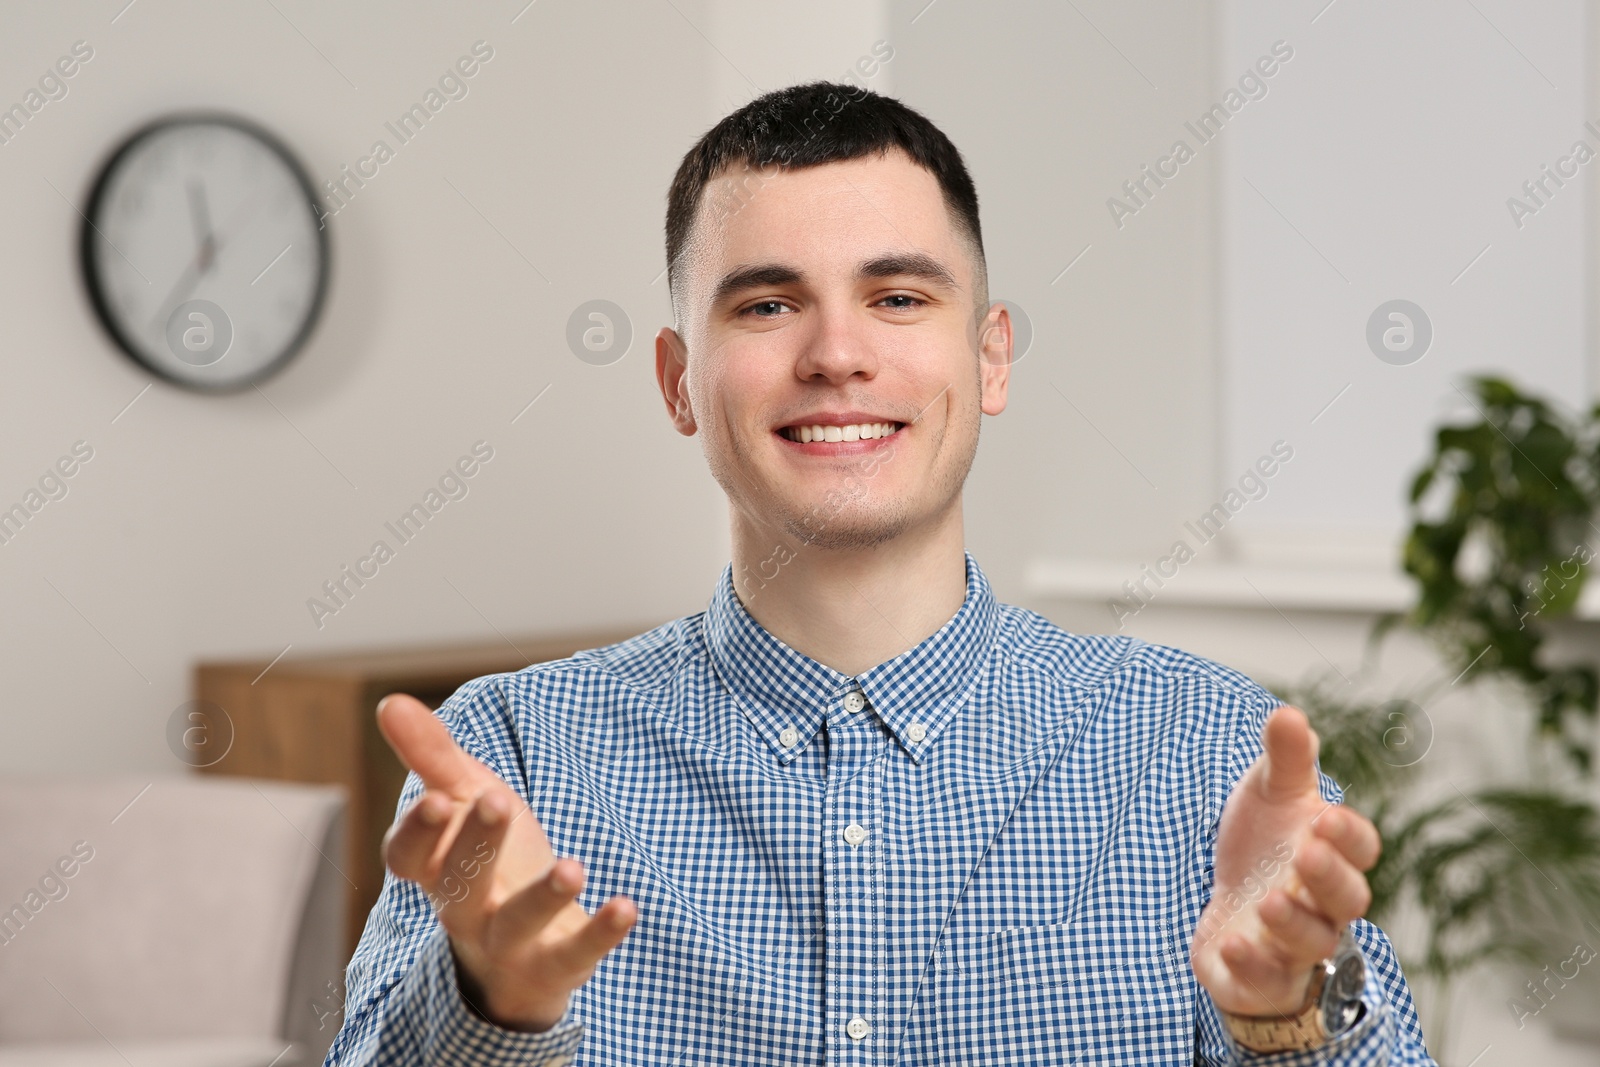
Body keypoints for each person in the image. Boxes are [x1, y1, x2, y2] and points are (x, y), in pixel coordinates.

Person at [323, 81, 1436, 1065]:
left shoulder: (1206, 751)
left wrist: (1291, 1019)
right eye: (766, 304)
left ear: (988, 355)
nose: (836, 354)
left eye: (898, 297)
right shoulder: (516, 755)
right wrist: (492, 1011)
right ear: (676, 382)